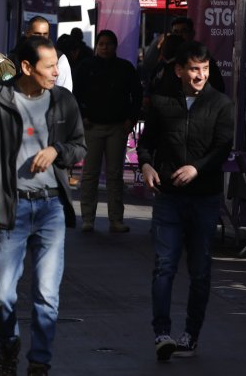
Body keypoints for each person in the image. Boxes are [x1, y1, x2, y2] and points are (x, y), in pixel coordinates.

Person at [0, 36, 86, 376]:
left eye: (56, 65)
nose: (56, 72)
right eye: (49, 66)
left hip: (51, 208)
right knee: (1, 292)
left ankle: (40, 362)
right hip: (11, 206)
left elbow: (79, 145)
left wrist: (57, 152)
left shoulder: (63, 100)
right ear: (26, 67)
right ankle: (9, 344)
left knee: (47, 295)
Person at [138, 41, 233, 361]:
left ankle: (191, 334)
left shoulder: (221, 104)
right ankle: (161, 332)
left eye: (204, 70)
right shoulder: (163, 104)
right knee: (164, 266)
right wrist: (146, 164)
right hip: (168, 198)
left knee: (200, 270)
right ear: (179, 70)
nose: (199, 76)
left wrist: (198, 167)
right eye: (194, 69)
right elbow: (146, 143)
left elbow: (222, 147)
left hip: (204, 198)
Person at [73, 30, 142, 233]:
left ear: (115, 46)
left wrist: (131, 119)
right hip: (92, 126)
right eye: (101, 44)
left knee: (115, 174)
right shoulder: (86, 66)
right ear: (96, 46)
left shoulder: (125, 67)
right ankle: (87, 218)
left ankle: (116, 219)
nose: (105, 47)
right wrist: (83, 115)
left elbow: (136, 94)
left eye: (109, 44)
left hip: (117, 127)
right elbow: (76, 93)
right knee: (90, 174)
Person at [24, 16, 72, 91]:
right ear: (27, 34)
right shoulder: (16, 56)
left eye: (45, 34)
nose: (42, 38)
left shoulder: (59, 58)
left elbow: (65, 93)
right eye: (37, 34)